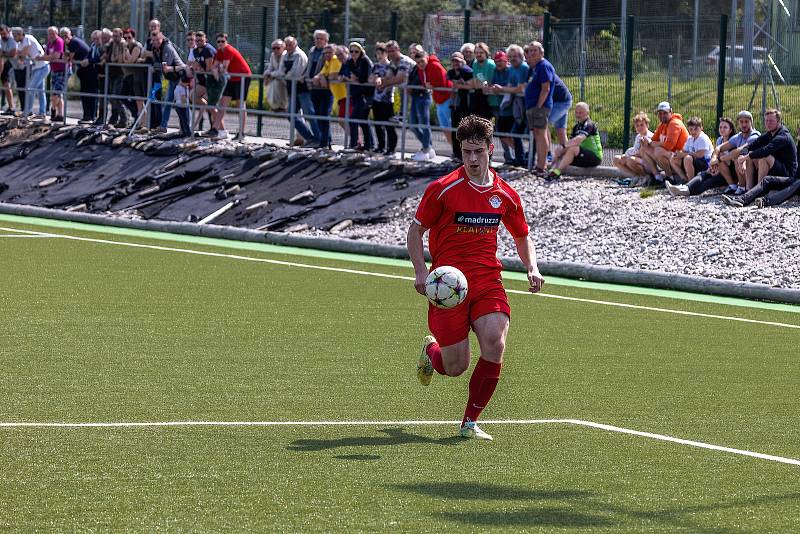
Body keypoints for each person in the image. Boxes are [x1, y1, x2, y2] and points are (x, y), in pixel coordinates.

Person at [407, 114, 545, 441]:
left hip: (486, 281)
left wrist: (532, 267)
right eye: (466, 151)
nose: (471, 159)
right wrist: (421, 270)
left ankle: (469, 422)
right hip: (448, 287)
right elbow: (415, 232)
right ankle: (432, 353)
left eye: (478, 152)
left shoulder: (506, 195)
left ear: (490, 150)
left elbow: (522, 235)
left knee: (495, 342)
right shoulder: (442, 189)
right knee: (455, 367)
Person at [666, 117, 736, 197]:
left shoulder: (733, 142)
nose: (722, 129)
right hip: (716, 168)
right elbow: (716, 157)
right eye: (720, 127)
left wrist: (717, 164)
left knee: (706, 183)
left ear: (730, 130)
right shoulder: (719, 140)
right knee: (703, 175)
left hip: (727, 173)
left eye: (725, 127)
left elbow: (730, 161)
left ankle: (685, 190)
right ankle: (685, 188)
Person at [733, 108, 796, 191]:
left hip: (788, 174)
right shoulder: (769, 134)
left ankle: (758, 191)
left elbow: (766, 151)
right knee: (751, 156)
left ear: (778, 122)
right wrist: (742, 155)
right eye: (766, 121)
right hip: (774, 168)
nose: (768, 123)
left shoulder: (783, 136)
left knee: (764, 157)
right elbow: (750, 146)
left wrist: (745, 157)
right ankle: (749, 189)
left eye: (771, 121)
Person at [546, 102, 602, 180]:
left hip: (594, 158)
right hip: (582, 156)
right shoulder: (576, 126)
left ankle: (557, 172)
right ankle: (551, 168)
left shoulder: (589, 124)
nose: (578, 115)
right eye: (576, 112)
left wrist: (563, 146)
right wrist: (561, 149)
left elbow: (578, 140)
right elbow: (570, 142)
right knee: (562, 149)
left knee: (572, 148)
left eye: (581, 112)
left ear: (587, 113)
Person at [210, 33, 251, 140]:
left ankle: (241, 133)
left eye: (222, 41)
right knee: (222, 103)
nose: (220, 43)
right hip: (232, 78)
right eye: (218, 41)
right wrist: (217, 73)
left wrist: (218, 70)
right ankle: (214, 129)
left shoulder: (228, 50)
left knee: (240, 104)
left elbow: (223, 67)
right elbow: (214, 67)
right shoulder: (219, 52)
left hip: (242, 77)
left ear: (226, 41)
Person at [523, 41, 554, 174]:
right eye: (530, 51)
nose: (532, 53)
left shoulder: (543, 66)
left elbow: (545, 88)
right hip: (532, 106)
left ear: (541, 52)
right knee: (537, 134)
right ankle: (539, 164)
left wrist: (538, 106)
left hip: (540, 107)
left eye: (535, 50)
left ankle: (542, 166)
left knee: (541, 135)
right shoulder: (534, 68)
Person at [712, 110, 760, 196]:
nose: (744, 125)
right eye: (741, 122)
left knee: (739, 157)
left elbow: (742, 150)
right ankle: (735, 186)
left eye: (746, 122)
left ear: (751, 123)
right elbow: (719, 147)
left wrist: (719, 159)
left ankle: (745, 188)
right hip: (741, 169)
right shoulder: (738, 136)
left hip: (755, 170)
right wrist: (714, 158)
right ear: (738, 123)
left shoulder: (755, 135)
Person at [638, 101, 688, 182]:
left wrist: (650, 142)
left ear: (671, 112)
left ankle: (670, 178)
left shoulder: (675, 123)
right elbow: (654, 140)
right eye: (660, 113)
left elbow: (668, 146)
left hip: (681, 158)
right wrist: (646, 141)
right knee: (644, 148)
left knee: (658, 151)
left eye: (665, 113)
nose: (662, 115)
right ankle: (658, 177)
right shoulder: (662, 124)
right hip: (671, 155)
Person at [281, 36, 314, 146]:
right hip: (291, 89)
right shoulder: (285, 55)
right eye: (287, 45)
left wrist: (283, 75)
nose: (288, 47)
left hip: (302, 89)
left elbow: (296, 73)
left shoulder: (299, 55)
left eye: (290, 44)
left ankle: (318, 139)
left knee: (309, 114)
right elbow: (281, 70)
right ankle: (309, 138)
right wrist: (280, 75)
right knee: (291, 115)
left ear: (295, 44)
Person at [152, 31, 186, 133]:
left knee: (181, 104)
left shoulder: (167, 47)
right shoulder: (155, 49)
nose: (156, 42)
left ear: (161, 38)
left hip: (180, 78)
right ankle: (163, 126)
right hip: (172, 79)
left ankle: (185, 127)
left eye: (158, 40)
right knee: (167, 103)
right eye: (153, 40)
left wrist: (156, 67)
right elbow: (158, 65)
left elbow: (165, 67)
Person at [344, 41, 374, 151]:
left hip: (366, 95)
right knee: (363, 120)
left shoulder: (365, 61)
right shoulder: (350, 61)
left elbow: (364, 79)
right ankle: (369, 145)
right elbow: (344, 72)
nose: (353, 53)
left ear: (360, 51)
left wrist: (354, 78)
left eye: (356, 51)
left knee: (354, 120)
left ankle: (353, 145)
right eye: (351, 51)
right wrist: (350, 77)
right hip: (356, 94)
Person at [13, 27, 49, 119]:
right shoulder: (20, 43)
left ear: (20, 34)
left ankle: (28, 111)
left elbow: (23, 54)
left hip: (42, 67)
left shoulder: (27, 38)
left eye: (15, 35)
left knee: (30, 88)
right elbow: (19, 57)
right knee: (40, 91)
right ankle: (42, 113)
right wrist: (20, 55)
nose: (14, 37)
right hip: (36, 68)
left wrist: (20, 55)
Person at [407, 45, 435, 160]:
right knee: (412, 124)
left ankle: (426, 149)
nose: (415, 54)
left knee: (424, 124)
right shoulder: (415, 67)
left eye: (417, 52)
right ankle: (428, 147)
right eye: (412, 53)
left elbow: (427, 83)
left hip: (423, 97)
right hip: (415, 97)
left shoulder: (426, 67)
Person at [60, 27, 94, 123]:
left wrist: (67, 55)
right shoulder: (70, 44)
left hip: (89, 70)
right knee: (84, 94)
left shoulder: (73, 42)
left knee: (88, 94)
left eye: (65, 36)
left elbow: (68, 59)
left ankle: (89, 116)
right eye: (62, 36)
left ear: (69, 35)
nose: (64, 38)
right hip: (83, 70)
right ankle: (87, 116)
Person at [369, 42, 396, 155]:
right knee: (378, 124)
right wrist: (374, 79)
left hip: (387, 100)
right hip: (377, 99)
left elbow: (390, 77)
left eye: (381, 53)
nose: (379, 56)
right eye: (377, 53)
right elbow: (371, 78)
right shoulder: (375, 66)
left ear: (386, 53)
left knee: (389, 125)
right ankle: (380, 146)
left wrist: (381, 79)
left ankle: (391, 148)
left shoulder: (392, 66)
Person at [447, 51, 474, 161]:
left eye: (457, 61)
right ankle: (457, 154)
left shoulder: (467, 71)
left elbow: (469, 85)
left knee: (466, 131)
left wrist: (458, 85)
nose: (455, 63)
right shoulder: (451, 72)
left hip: (465, 105)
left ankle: (467, 155)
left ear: (463, 61)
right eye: (453, 61)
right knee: (455, 130)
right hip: (455, 105)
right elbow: (450, 83)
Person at [669, 116, 713, 183]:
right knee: (673, 158)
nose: (693, 131)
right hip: (694, 161)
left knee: (687, 158)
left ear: (701, 128)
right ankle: (684, 179)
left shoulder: (703, 138)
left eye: (696, 129)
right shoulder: (690, 138)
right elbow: (684, 151)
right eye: (691, 129)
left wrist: (684, 154)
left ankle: (691, 182)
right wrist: (678, 154)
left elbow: (700, 155)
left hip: (706, 163)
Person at [306, 30, 330, 147]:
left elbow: (329, 68)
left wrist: (321, 77)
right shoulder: (312, 51)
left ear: (326, 41)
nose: (318, 40)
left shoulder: (328, 52)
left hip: (325, 88)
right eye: (317, 38)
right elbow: (309, 66)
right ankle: (323, 141)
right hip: (313, 87)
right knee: (317, 115)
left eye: (321, 38)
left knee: (323, 114)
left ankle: (326, 142)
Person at [189, 31, 216, 131]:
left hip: (213, 81)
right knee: (192, 95)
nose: (199, 42)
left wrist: (200, 68)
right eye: (197, 40)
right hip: (202, 81)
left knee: (212, 106)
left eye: (201, 40)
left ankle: (216, 129)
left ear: (206, 39)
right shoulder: (195, 51)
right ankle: (205, 106)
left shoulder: (208, 50)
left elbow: (209, 69)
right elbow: (196, 64)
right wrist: (194, 68)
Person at [613, 112, 653, 177]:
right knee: (616, 159)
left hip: (649, 164)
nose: (639, 127)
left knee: (630, 160)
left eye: (642, 125)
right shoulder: (638, 136)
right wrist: (626, 155)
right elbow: (635, 150)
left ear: (647, 125)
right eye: (637, 126)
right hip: (639, 160)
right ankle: (635, 177)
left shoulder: (649, 136)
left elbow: (642, 154)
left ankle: (645, 177)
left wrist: (627, 156)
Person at [103, 28, 129, 128]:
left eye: (116, 36)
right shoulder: (111, 44)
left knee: (116, 97)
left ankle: (125, 119)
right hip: (111, 73)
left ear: (121, 35)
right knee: (112, 98)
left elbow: (120, 59)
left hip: (120, 74)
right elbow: (106, 54)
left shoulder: (123, 44)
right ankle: (114, 118)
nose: (115, 38)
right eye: (113, 36)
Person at [121, 28, 146, 127]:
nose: (127, 39)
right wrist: (125, 50)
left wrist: (126, 50)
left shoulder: (136, 46)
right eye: (125, 38)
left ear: (134, 37)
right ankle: (136, 117)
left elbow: (130, 61)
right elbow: (123, 60)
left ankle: (140, 122)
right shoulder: (126, 46)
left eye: (129, 37)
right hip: (128, 75)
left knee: (138, 100)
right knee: (122, 96)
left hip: (136, 76)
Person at [41, 27, 66, 122]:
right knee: (57, 93)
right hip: (54, 70)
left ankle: (53, 110)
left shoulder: (59, 41)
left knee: (57, 92)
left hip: (62, 70)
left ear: (57, 33)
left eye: (52, 34)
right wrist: (47, 57)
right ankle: (60, 115)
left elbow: (56, 56)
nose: (50, 36)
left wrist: (47, 57)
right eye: (49, 34)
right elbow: (45, 56)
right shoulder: (49, 43)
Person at [470, 42, 494, 120]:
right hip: (479, 95)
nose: (478, 55)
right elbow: (475, 83)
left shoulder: (490, 64)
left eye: (481, 52)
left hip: (490, 98)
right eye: (476, 53)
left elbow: (488, 84)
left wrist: (481, 84)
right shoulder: (475, 64)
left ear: (486, 53)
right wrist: (481, 84)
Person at [264, 39, 287, 112]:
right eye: (274, 48)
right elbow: (270, 68)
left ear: (283, 48)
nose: (276, 50)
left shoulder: (285, 55)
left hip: (286, 79)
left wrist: (270, 74)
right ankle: (276, 106)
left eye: (278, 48)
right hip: (276, 78)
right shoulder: (273, 55)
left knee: (276, 83)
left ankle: (282, 106)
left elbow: (281, 71)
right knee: (269, 84)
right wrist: (266, 74)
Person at [0, 25, 19, 114]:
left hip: (17, 65)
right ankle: (11, 107)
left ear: (8, 32)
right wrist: (5, 54)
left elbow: (13, 53)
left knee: (10, 86)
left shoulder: (12, 39)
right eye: (1, 34)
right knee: (5, 85)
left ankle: (13, 107)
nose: (3, 36)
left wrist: (3, 53)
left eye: (4, 33)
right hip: (6, 63)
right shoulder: (1, 39)